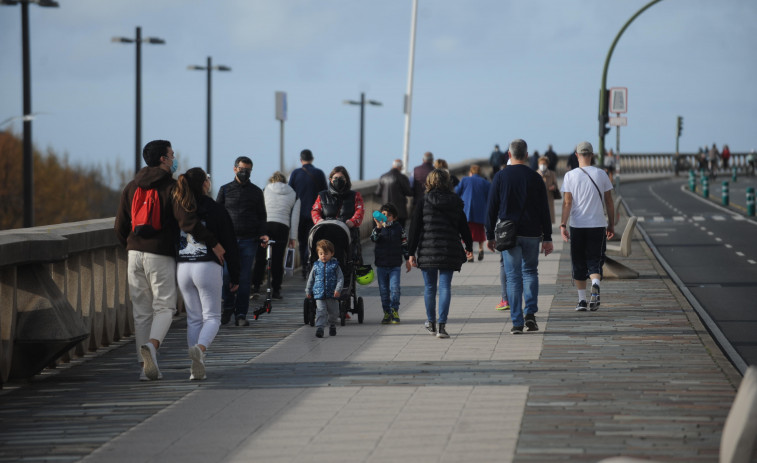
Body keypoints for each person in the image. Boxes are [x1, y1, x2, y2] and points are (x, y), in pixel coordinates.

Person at [115, 139, 222, 381]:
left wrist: (132, 246)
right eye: (171, 155)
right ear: (163, 159)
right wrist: (214, 242)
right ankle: (152, 347)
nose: (174, 160)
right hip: (159, 255)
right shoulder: (171, 187)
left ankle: (145, 369)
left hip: (134, 254)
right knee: (164, 307)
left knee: (141, 313)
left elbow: (119, 226)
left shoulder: (131, 187)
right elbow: (187, 222)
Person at [173, 168, 240, 381]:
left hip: (183, 267)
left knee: (193, 318)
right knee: (212, 317)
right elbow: (230, 243)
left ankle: (196, 367)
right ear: (204, 184)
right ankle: (200, 350)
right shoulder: (216, 209)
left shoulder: (180, 207)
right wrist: (236, 276)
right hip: (207, 266)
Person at [486, 139, 553, 335]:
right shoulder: (535, 177)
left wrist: (489, 235)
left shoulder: (500, 177)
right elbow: (544, 210)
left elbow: (491, 208)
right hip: (532, 233)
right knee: (531, 272)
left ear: (509, 154)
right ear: (526, 155)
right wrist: (547, 236)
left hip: (508, 234)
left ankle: (517, 322)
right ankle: (530, 314)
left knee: (513, 277)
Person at [408, 169, 473, 339]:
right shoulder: (456, 201)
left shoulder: (423, 201)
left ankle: (431, 322)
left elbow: (414, 228)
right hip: (448, 249)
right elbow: (463, 226)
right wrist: (469, 246)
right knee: (445, 287)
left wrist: (410, 253)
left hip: (427, 249)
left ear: (429, 182)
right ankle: (442, 327)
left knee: (429, 288)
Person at [559, 141, 615, 312]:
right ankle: (596, 284)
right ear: (592, 155)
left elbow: (567, 203)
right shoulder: (602, 174)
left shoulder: (570, 176)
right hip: (597, 224)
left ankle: (582, 301)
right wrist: (611, 224)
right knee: (595, 259)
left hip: (578, 225)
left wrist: (563, 224)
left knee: (578, 262)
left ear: (577, 156)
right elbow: (609, 201)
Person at [216, 156, 269, 327]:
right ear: (234, 169)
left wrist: (262, 234)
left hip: (249, 240)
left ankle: (241, 314)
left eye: (248, 170)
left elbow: (262, 216)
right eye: (241, 169)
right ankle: (228, 307)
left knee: (245, 279)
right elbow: (216, 215)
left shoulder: (256, 192)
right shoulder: (224, 190)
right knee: (225, 276)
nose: (244, 172)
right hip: (227, 242)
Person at [252, 171, 300, 300]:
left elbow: (258, 211)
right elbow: (294, 219)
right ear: (285, 181)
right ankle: (276, 290)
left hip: (266, 225)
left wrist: (257, 230)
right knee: (278, 259)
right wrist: (293, 238)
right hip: (282, 227)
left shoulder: (265, 190)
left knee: (261, 257)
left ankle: (256, 286)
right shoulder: (294, 194)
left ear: (271, 180)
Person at [312, 165, 365, 265]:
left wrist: (352, 222)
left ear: (346, 180)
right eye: (335, 178)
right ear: (330, 180)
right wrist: (319, 221)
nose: (338, 180)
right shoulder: (322, 195)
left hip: (347, 233)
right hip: (327, 233)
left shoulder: (355, 196)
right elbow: (315, 210)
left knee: (347, 261)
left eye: (341, 178)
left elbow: (360, 211)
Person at [288, 149, 328, 278]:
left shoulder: (295, 173)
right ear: (312, 159)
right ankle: (310, 263)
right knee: (313, 240)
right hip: (315, 213)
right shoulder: (319, 173)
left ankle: (304, 267)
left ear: (301, 160)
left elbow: (290, 192)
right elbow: (325, 193)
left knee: (302, 240)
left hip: (299, 213)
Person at [370, 203, 409, 324]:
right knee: (383, 290)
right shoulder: (378, 228)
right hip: (381, 265)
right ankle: (386, 312)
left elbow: (404, 244)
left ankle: (394, 310)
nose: (385, 216)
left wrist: (408, 259)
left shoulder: (398, 228)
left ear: (395, 217)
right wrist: (378, 227)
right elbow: (373, 239)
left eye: (389, 215)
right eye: (383, 214)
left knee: (395, 289)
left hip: (395, 265)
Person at [305, 239, 344, 338]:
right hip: (319, 293)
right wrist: (308, 290)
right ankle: (320, 328)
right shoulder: (316, 266)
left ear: (332, 254)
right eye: (321, 253)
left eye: (326, 254)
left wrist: (338, 289)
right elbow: (311, 279)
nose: (323, 256)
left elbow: (340, 278)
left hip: (332, 294)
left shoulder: (335, 266)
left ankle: (332, 325)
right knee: (321, 311)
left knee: (334, 312)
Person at [455, 164, 491, 261]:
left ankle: (470, 254)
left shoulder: (465, 180)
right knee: (480, 231)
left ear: (470, 172)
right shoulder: (485, 182)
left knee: (467, 232)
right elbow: (490, 197)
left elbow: (456, 192)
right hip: (480, 210)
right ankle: (480, 248)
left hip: (467, 211)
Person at [375, 158, 413, 227]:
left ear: (392, 165)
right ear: (400, 167)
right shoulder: (402, 177)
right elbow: (409, 192)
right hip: (399, 212)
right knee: (400, 232)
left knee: (386, 231)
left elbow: (378, 193)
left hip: (386, 212)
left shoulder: (383, 177)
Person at [537, 157, 558, 224]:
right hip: (539, 198)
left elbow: (555, 185)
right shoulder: (536, 173)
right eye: (540, 164)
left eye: (544, 164)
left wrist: (553, 187)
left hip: (549, 197)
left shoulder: (552, 174)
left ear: (547, 165)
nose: (542, 165)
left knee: (548, 215)